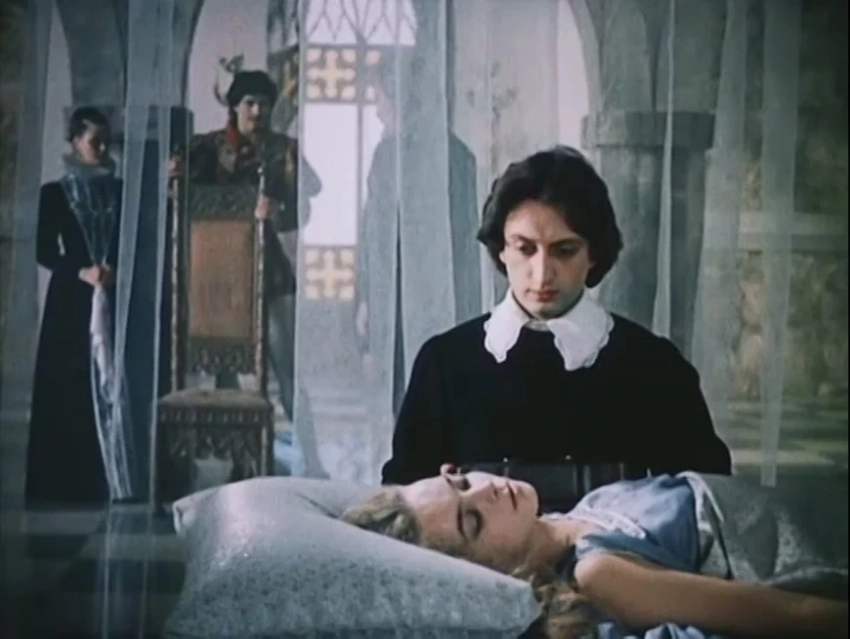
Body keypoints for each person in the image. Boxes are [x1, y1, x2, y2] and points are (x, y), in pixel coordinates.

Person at [381, 146, 732, 485]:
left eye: (564, 251)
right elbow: (403, 499)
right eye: (525, 248)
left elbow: (705, 498)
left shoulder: (654, 366)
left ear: (594, 254)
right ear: (501, 249)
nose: (542, 274)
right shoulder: (444, 364)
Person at [343, 467, 848, 638]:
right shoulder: (600, 573)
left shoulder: (572, 514)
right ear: (478, 571)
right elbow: (790, 613)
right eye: (471, 521)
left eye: (462, 481)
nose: (487, 491)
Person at [170, 70, 326, 477]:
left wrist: (277, 211)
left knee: (285, 364)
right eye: (249, 103)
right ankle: (241, 457)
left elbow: (305, 206)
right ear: (235, 107)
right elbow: (179, 194)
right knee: (225, 364)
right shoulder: (205, 148)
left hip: (267, 268)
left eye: (264, 104)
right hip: (218, 270)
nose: (257, 112)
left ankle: (312, 458)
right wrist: (174, 177)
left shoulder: (284, 150)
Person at [354, 53, 481, 414]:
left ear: (398, 98)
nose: (377, 110)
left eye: (379, 98)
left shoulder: (392, 157)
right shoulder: (459, 154)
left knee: (412, 390)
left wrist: (368, 296)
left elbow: (374, 237)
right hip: (431, 291)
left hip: (408, 291)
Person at [25, 107, 122, 505]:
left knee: (110, 379)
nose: (101, 149)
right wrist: (81, 271)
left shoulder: (120, 191)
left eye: (105, 142)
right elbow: (44, 251)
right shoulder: (54, 193)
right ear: (75, 142)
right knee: (68, 382)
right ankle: (64, 477)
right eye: (93, 141)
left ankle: (109, 473)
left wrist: (113, 271)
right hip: (70, 298)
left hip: (113, 291)